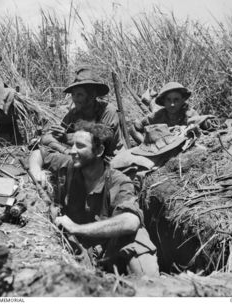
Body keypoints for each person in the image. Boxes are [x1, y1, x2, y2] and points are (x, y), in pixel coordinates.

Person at [29, 120, 159, 277]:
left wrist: (75, 228)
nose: (71, 151)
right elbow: (40, 152)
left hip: (110, 252)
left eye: (80, 146)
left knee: (138, 241)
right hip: (80, 250)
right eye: (73, 145)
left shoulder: (119, 180)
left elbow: (131, 221)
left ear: (99, 151)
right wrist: (36, 170)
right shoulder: (71, 165)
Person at [41, 66, 125, 157]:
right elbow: (47, 138)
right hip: (82, 156)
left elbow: (98, 142)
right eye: (73, 95)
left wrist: (65, 138)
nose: (75, 99)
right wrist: (64, 149)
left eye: (80, 95)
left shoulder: (107, 110)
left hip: (109, 158)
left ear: (92, 95)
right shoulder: (73, 113)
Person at [130, 82, 199, 144]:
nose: (172, 104)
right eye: (168, 100)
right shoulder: (158, 116)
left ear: (182, 100)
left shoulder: (190, 114)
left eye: (176, 100)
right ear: (163, 101)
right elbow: (133, 128)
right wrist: (145, 145)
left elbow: (205, 127)